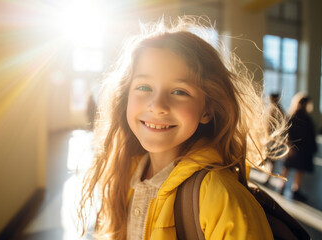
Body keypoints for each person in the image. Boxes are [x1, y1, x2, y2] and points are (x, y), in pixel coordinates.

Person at [78, 16, 287, 240]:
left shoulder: (222, 198)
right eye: (144, 87)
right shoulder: (126, 173)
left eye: (179, 91)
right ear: (126, 96)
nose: (157, 106)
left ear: (207, 109)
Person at [279, 93, 317, 201]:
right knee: (295, 168)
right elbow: (289, 133)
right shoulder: (300, 117)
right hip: (299, 148)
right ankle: (291, 189)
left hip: (298, 148)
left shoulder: (293, 116)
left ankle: (286, 188)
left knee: (291, 168)